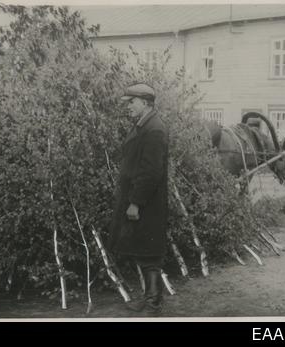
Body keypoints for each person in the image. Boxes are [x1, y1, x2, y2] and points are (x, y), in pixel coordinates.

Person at [110, 83, 169, 316]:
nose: (128, 107)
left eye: (131, 102)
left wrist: (136, 202)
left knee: (149, 253)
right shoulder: (145, 124)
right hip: (139, 198)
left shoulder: (154, 129)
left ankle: (153, 303)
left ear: (145, 103)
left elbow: (151, 171)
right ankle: (150, 298)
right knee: (142, 250)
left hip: (147, 202)